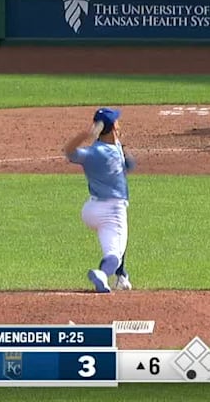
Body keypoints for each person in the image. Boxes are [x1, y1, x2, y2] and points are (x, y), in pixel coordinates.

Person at [62, 108, 135, 293]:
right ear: (111, 128)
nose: (120, 124)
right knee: (114, 255)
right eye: (117, 123)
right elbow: (129, 165)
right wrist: (87, 134)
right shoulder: (100, 153)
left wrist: (87, 135)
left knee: (119, 240)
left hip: (91, 210)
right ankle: (102, 274)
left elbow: (69, 152)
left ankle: (121, 276)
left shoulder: (95, 151)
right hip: (111, 211)